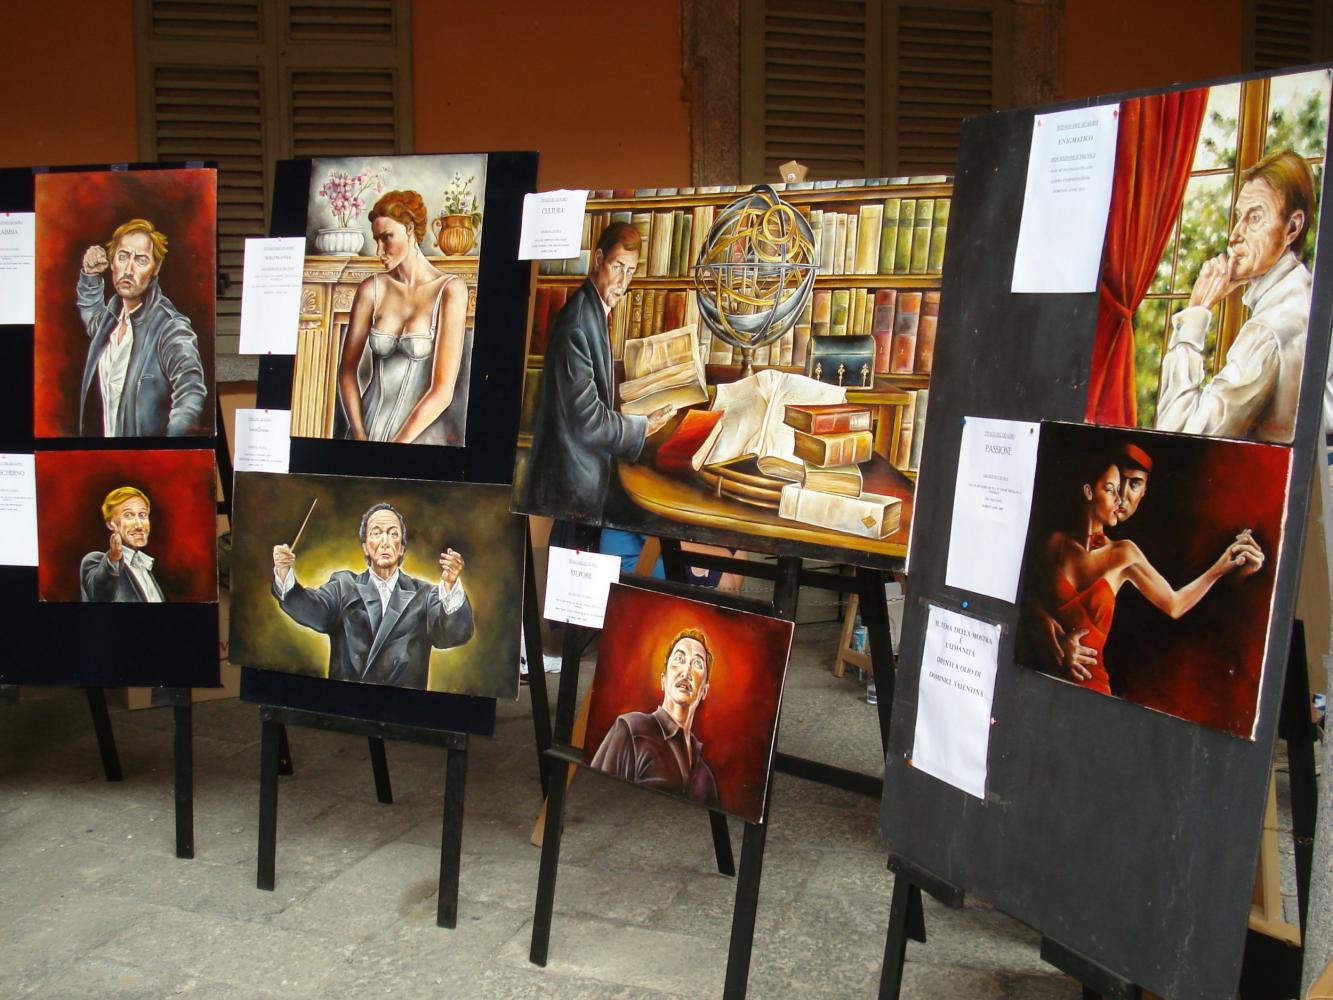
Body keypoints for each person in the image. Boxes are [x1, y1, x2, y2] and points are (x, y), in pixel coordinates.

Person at [1026, 453, 1264, 696]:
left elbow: (1175, 604)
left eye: (1125, 489)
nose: (1120, 499)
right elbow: (1030, 600)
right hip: (1043, 678)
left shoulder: (1124, 553)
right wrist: (1054, 640)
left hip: (1092, 686)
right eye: (1111, 489)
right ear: (1089, 492)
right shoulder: (1054, 544)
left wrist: (1219, 568)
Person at [1156, 148, 1315, 443]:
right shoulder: (1304, 292)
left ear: (1292, 228)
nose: (1234, 235)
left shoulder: (1268, 330)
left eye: (1255, 218)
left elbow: (1178, 436)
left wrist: (1197, 312)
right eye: (1239, 217)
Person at [523, 222, 676, 520]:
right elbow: (589, 422)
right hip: (572, 485)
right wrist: (643, 427)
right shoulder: (578, 324)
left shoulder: (594, 310)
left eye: (630, 271)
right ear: (597, 260)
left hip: (583, 476)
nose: (622, 281)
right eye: (617, 267)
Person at [271, 502, 473, 689]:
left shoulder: (426, 595)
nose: (385, 542)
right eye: (376, 533)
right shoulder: (343, 586)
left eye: (393, 534)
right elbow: (314, 612)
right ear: (365, 546)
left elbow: (453, 635)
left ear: (402, 548)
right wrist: (283, 573)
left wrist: (451, 585)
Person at [337, 190, 469, 445]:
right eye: (376, 239)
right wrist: (359, 434)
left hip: (417, 438)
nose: (379, 250)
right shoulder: (371, 290)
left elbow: (442, 391)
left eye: (386, 237)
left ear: (409, 229)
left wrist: (396, 447)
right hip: (365, 431)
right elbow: (347, 372)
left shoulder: (450, 290)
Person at [77, 219, 208, 437]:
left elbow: (191, 390)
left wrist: (172, 447)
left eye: (141, 260)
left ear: (155, 268)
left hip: (146, 455)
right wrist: (90, 275)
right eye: (123, 257)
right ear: (112, 262)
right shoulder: (112, 316)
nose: (128, 270)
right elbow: (92, 319)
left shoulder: (170, 327)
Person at [589, 627, 720, 808]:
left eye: (697, 663)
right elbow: (596, 797)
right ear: (663, 679)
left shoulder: (705, 775)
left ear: (704, 690)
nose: (686, 671)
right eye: (679, 659)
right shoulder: (631, 729)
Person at [80, 486, 164, 602]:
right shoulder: (96, 561)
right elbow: (99, 593)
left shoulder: (145, 566)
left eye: (142, 515)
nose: (139, 525)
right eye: (128, 515)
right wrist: (113, 559)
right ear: (111, 524)